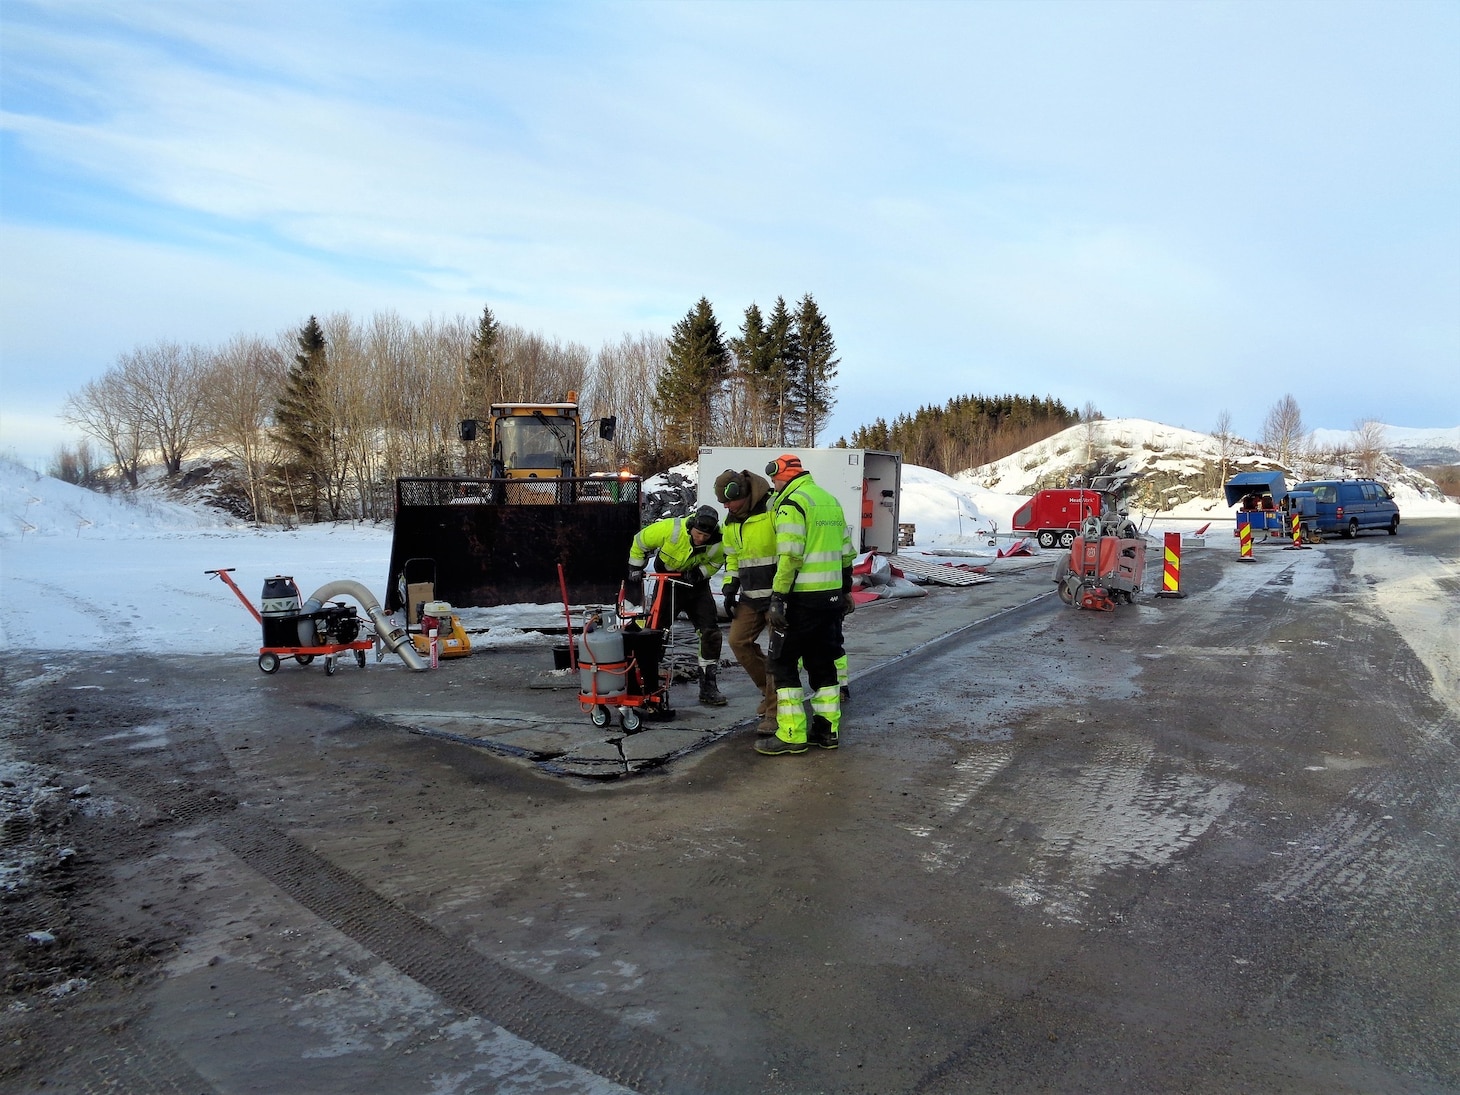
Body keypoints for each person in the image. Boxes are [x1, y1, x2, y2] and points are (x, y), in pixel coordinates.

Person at [756, 454, 855, 755]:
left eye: (773, 481)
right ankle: (827, 732)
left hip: (800, 601)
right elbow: (846, 554)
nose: (772, 487)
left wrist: (778, 599)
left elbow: (790, 557)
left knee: (783, 664)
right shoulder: (829, 501)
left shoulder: (792, 505)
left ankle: (791, 734)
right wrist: (845, 591)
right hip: (831, 599)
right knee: (823, 664)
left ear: (781, 477)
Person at [627, 505, 728, 706]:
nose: (700, 539)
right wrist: (635, 567)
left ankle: (708, 687)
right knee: (654, 633)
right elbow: (640, 541)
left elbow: (716, 564)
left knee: (710, 634)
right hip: (668, 583)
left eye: (705, 537)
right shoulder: (671, 529)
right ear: (691, 527)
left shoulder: (719, 542)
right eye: (698, 534)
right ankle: (649, 683)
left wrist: (700, 573)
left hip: (697, 587)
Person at [714, 468, 779, 735]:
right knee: (737, 642)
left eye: (728, 501)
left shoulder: (774, 508)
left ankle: (775, 713)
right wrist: (730, 584)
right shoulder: (731, 521)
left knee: (778, 655)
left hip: (778, 594)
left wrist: (784, 592)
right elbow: (733, 556)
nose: (726, 506)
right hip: (751, 596)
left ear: (740, 493)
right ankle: (769, 692)